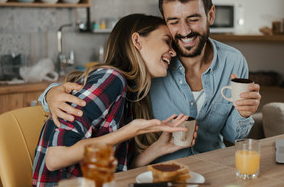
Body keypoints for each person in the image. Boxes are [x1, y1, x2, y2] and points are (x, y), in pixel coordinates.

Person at [39, 0, 261, 163]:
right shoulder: (155, 64)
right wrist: (50, 93)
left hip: (212, 167)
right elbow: (99, 85)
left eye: (193, 19)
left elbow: (233, 135)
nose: (184, 31)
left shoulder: (234, 61)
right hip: (159, 175)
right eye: (174, 22)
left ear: (210, 15)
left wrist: (244, 113)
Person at [32, 14, 197, 187]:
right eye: (166, 41)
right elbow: (55, 158)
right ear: (137, 41)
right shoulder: (112, 78)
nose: (173, 51)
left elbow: (122, 170)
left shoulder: (131, 94)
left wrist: (159, 148)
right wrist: (128, 131)